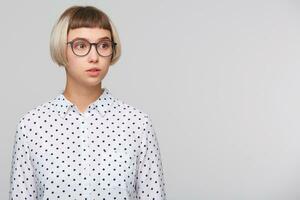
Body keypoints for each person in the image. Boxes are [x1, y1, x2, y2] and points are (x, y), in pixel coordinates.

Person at [8, 5, 166, 200]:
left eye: (104, 45)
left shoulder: (137, 124)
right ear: (61, 49)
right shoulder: (32, 126)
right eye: (81, 45)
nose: (94, 57)